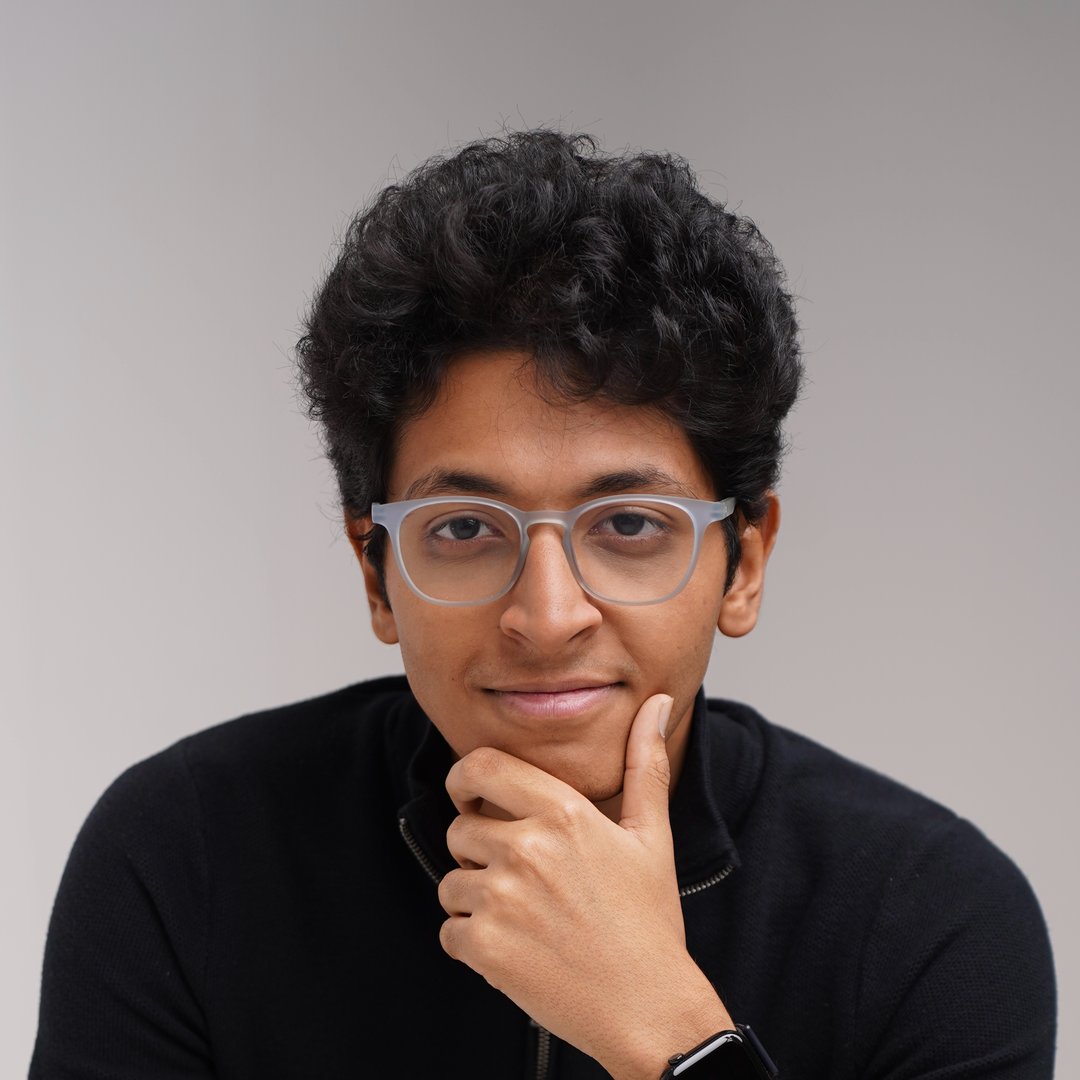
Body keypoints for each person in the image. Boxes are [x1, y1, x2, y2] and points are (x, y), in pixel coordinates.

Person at [31, 130, 1056, 1079]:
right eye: (468, 531)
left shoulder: (933, 917)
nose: (549, 614)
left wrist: (664, 1028)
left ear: (743, 564)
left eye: (630, 527)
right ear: (375, 573)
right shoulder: (189, 854)